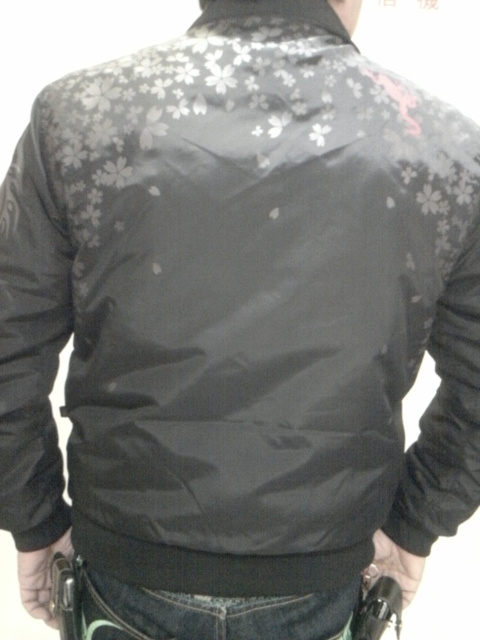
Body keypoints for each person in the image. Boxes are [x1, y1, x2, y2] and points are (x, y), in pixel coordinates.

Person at [1, 0, 480, 638]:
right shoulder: (446, 151)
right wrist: (415, 523)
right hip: (320, 582)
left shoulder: (78, 116)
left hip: (124, 572)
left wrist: (35, 519)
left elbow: (8, 346)